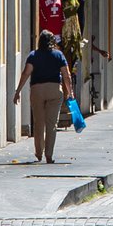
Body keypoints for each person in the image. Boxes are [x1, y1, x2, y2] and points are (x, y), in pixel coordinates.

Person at [13, 30, 74, 164]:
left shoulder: (33, 55)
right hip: (54, 90)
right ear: (52, 42)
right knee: (52, 124)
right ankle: (49, 155)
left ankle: (39, 153)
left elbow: (26, 74)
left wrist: (18, 91)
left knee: (39, 122)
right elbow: (66, 75)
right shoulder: (59, 55)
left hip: (37, 90)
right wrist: (70, 92)